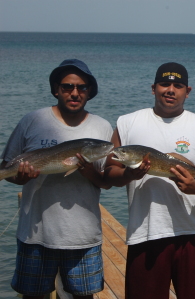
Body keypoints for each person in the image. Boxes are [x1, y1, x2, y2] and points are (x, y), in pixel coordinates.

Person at [103, 62, 195, 299]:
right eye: (164, 84)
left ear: (187, 91)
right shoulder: (127, 123)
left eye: (177, 85)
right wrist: (129, 174)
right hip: (145, 234)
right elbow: (109, 172)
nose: (170, 90)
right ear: (153, 88)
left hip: (193, 232)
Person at [0, 59, 113, 299]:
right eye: (67, 87)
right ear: (56, 90)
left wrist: (87, 170)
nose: (75, 92)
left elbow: (106, 181)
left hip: (83, 236)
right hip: (35, 235)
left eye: (82, 87)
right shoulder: (32, 121)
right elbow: (7, 168)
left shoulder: (102, 127)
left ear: (89, 91)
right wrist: (20, 178)